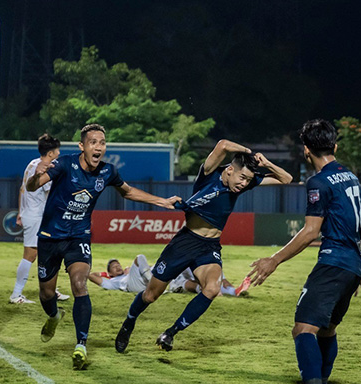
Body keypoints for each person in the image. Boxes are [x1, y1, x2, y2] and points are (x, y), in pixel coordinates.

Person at [25, 123, 180, 370]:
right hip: (50, 237)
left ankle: (81, 345)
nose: (99, 147)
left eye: (102, 143)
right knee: (46, 293)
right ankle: (54, 316)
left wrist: (161, 201)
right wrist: (35, 175)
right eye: (93, 142)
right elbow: (32, 186)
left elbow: (127, 192)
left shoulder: (108, 172)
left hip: (79, 237)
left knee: (79, 284)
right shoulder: (65, 164)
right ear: (82, 146)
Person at [114, 140, 292, 354]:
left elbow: (286, 179)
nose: (244, 184)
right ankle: (129, 322)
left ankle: (170, 333)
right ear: (229, 171)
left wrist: (266, 163)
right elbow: (223, 145)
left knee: (212, 288)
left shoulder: (243, 183)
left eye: (248, 180)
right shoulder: (209, 174)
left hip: (209, 247)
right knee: (150, 295)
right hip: (185, 242)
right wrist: (247, 150)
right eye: (242, 177)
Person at [248, 119, 361, 384]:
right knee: (327, 330)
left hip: (333, 262)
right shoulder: (350, 176)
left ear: (306, 150)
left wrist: (274, 259)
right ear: (335, 146)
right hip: (352, 263)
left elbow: (311, 231)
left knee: (302, 329)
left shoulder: (319, 182)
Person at [10, 134, 69, 305]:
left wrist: (21, 212)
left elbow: (23, 189)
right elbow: (50, 194)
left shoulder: (32, 164)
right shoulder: (44, 168)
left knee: (49, 253)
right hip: (36, 216)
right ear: (50, 153)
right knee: (30, 255)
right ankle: (16, 294)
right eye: (57, 150)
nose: (59, 153)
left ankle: (51, 290)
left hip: (33, 214)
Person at [89, 255, 240, 296]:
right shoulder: (114, 281)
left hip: (155, 281)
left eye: (118, 265)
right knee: (139, 257)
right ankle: (153, 282)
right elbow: (91, 275)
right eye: (114, 267)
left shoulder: (129, 271)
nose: (118, 267)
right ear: (110, 273)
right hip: (134, 285)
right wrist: (106, 275)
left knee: (183, 276)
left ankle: (231, 291)